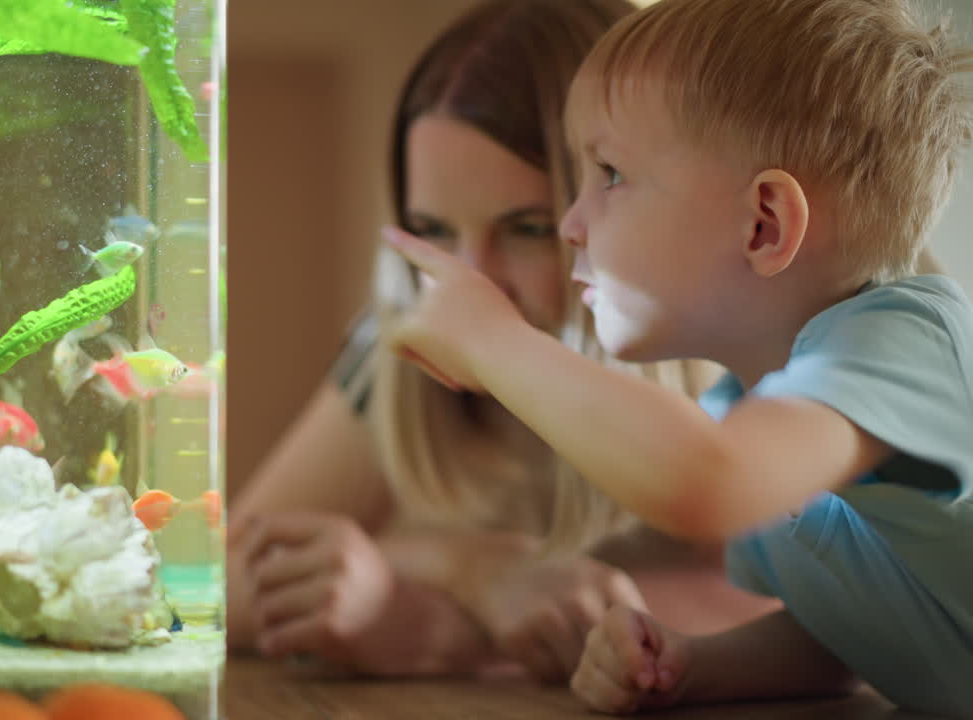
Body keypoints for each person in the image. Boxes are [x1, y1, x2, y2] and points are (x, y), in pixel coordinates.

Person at [384, 0, 973, 714]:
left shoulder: (906, 342)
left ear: (764, 224)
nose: (573, 223)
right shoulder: (748, 412)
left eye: (608, 174)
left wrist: (495, 341)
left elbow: (705, 482)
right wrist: (696, 666)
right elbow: (859, 632)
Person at [228, 0, 776, 680]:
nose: (470, 288)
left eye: (527, 228)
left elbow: (840, 618)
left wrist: (447, 631)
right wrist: (472, 569)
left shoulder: (760, 335)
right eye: (433, 230)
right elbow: (211, 578)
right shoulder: (403, 341)